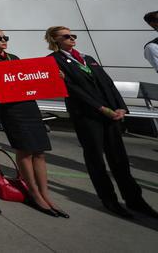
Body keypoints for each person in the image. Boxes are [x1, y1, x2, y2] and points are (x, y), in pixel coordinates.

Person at [47, 25, 158, 219]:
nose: (72, 38)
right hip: (87, 115)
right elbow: (72, 89)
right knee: (96, 159)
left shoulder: (87, 58)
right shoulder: (53, 61)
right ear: (55, 40)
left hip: (110, 114)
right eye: (66, 36)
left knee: (119, 158)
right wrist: (100, 108)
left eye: (73, 35)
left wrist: (121, 106)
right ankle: (109, 200)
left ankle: (135, 200)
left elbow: (107, 83)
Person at [0, 26, 64, 217]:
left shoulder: (14, 57)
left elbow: (28, 78)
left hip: (28, 105)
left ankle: (45, 193)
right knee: (24, 150)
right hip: (11, 109)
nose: (3, 40)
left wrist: (53, 76)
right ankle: (33, 193)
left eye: (4, 37)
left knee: (39, 151)